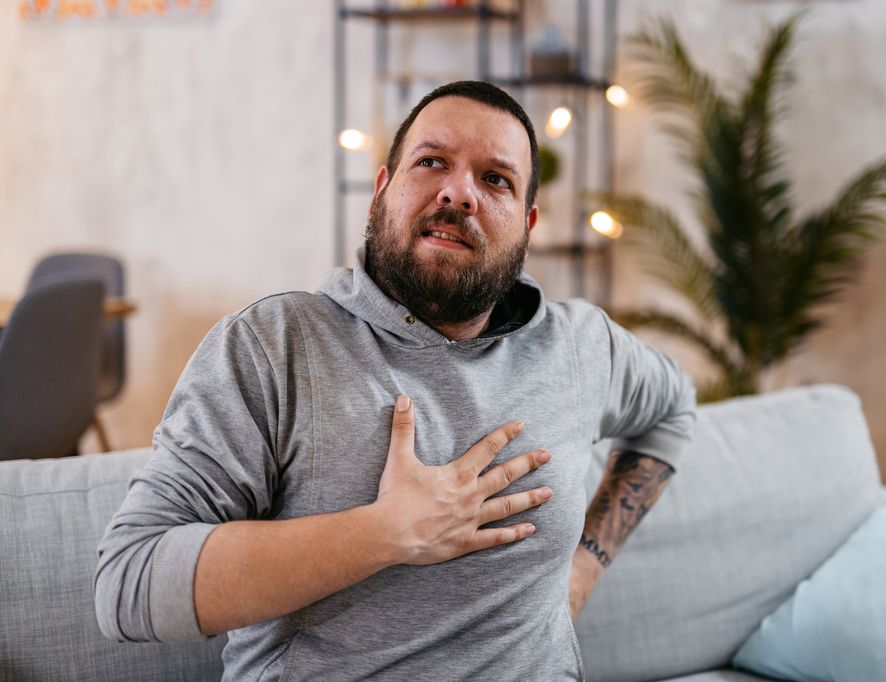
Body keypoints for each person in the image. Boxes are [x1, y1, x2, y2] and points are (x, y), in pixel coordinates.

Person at [95, 80, 696, 681]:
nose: (459, 193)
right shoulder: (274, 345)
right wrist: (388, 532)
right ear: (381, 191)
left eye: (496, 179)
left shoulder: (581, 345)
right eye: (432, 162)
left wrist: (584, 569)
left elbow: (673, 409)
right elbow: (129, 584)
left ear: (527, 226)